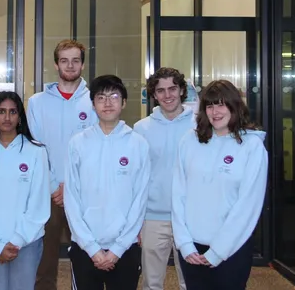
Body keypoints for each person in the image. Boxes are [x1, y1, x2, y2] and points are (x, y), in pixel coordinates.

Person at [171, 79, 268, 290]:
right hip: (191, 249)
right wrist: (184, 244)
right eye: (210, 105)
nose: (215, 111)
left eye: (222, 104)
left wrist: (218, 251)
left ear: (235, 106)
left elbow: (248, 206)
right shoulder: (189, 141)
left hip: (231, 249)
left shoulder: (252, 146)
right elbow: (178, 194)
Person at [64, 75, 150, 290]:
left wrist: (117, 249)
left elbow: (140, 200)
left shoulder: (138, 144)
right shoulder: (78, 143)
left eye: (114, 96)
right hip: (85, 247)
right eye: (101, 97)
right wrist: (92, 248)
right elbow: (71, 199)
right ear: (93, 104)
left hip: (125, 247)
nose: (108, 102)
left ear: (123, 103)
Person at [28, 39, 98, 290]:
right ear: (56, 64)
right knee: (44, 260)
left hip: (84, 191)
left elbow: (95, 149)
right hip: (48, 193)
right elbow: (34, 148)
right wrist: (53, 186)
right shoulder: (37, 102)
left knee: (86, 254)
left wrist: (71, 185)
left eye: (76, 60)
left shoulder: (94, 101)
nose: (70, 65)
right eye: (65, 60)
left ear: (82, 64)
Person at [0, 91, 51, 290]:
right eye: (1, 111)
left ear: (20, 116)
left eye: (12, 112)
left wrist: (17, 240)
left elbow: (38, 204)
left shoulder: (36, 152)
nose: (7, 117)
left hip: (27, 242)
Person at [134, 67, 198, 290]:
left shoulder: (200, 126)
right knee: (151, 283)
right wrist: (137, 220)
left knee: (189, 282)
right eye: (161, 90)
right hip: (153, 217)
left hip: (190, 216)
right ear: (154, 95)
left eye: (172, 88)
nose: (167, 95)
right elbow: (137, 177)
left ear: (182, 90)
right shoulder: (141, 129)